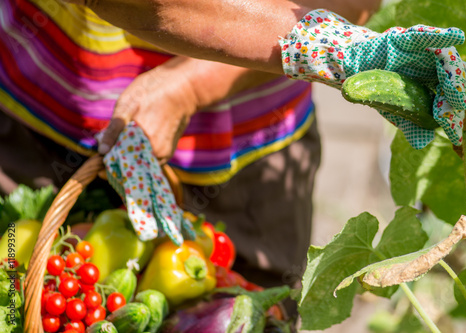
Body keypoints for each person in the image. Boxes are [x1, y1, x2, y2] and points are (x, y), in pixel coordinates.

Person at [0, 0, 383, 307]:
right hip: (42, 104)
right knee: (14, 284)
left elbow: (352, 2)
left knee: (257, 308)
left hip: (252, 145)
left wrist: (191, 87)